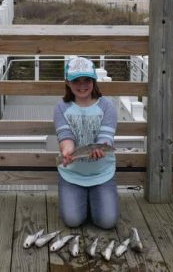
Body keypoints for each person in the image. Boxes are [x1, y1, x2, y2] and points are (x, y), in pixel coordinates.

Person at [54, 56, 119, 228]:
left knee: (107, 222)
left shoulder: (107, 106)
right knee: (72, 221)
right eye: (76, 81)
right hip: (72, 174)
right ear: (68, 82)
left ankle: (94, 197)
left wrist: (103, 148)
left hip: (102, 173)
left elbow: (106, 138)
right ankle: (84, 198)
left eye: (87, 80)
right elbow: (65, 137)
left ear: (94, 81)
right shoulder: (61, 107)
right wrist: (67, 153)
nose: (82, 85)